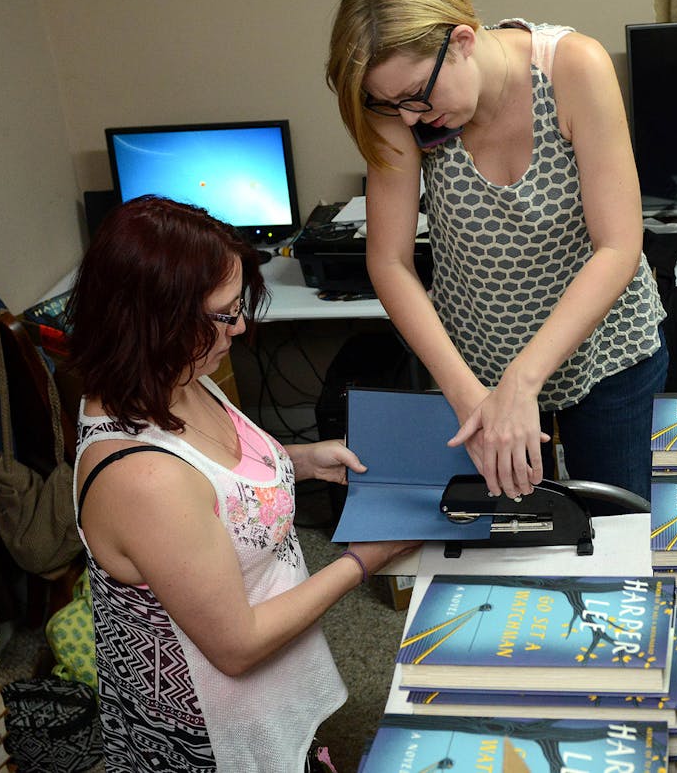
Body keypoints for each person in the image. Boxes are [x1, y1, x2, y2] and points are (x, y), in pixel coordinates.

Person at [65, 196, 419, 772]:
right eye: (225, 313)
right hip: (211, 729)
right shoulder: (142, 478)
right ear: (157, 322)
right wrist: (362, 562)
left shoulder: (174, 376)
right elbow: (237, 646)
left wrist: (300, 460)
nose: (242, 325)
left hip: (267, 682)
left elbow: (216, 476)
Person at [326, 0, 667, 502]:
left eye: (416, 95)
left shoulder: (574, 68)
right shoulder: (400, 106)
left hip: (608, 354)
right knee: (508, 543)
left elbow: (618, 245)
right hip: (478, 364)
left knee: (613, 529)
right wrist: (469, 395)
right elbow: (388, 261)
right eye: (392, 105)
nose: (410, 117)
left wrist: (524, 380)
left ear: (461, 39)